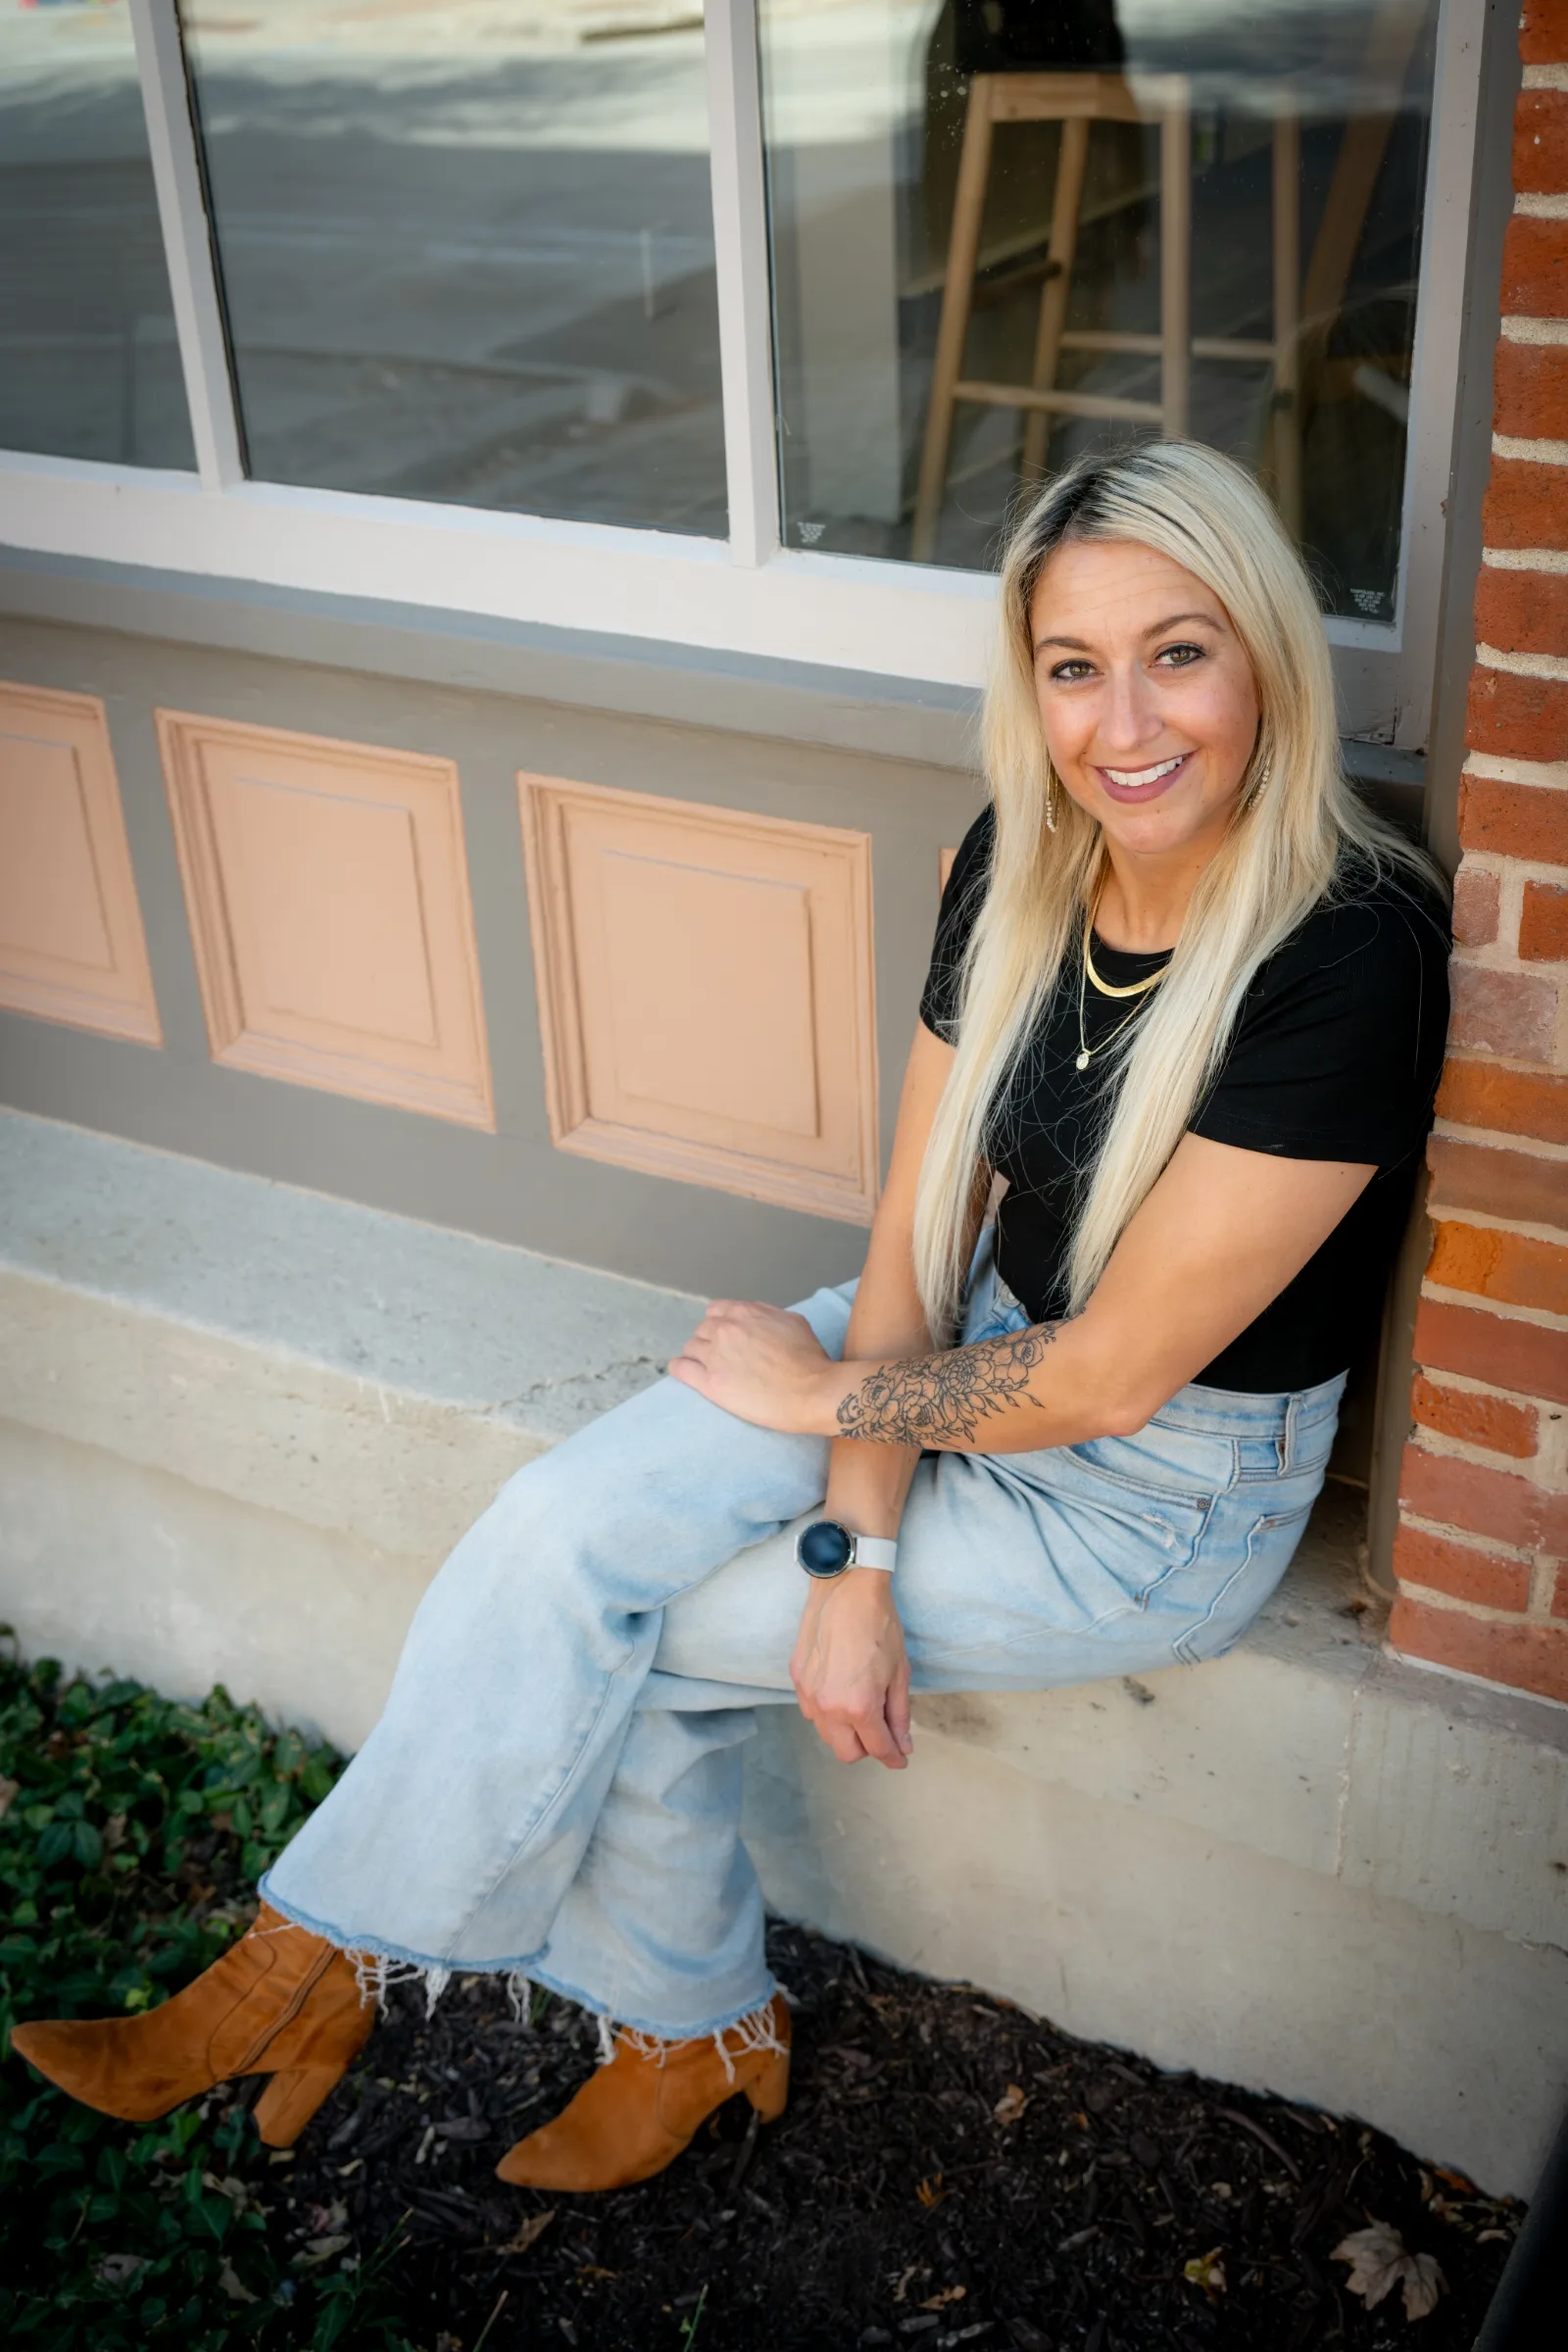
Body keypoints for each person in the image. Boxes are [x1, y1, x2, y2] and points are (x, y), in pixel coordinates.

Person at [11, 441, 1449, 2194]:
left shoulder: (1351, 948)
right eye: (1074, 667)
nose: (1125, 722)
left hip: (1155, 1495)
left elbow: (1109, 1376)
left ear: (1266, 660)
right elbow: (923, 1228)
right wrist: (854, 1544)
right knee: (559, 1534)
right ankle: (311, 1972)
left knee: (627, 1632)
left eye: (1179, 650)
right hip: (935, 1355)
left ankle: (609, 2017)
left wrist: (822, 1400)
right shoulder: (1021, 858)